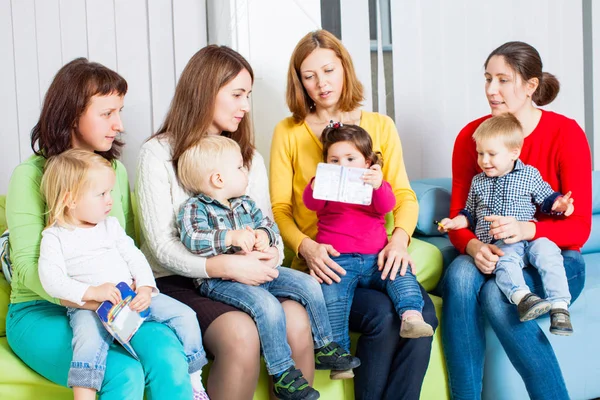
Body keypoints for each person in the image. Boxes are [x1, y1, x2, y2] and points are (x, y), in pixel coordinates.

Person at [135, 45, 316, 400]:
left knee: (297, 320)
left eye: (247, 95)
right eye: (237, 95)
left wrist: (267, 257)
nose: (246, 106)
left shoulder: (248, 158)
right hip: (178, 280)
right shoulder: (157, 154)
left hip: (247, 276)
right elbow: (160, 246)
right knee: (240, 334)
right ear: (204, 92)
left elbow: (270, 232)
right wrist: (224, 265)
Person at [6, 58, 193, 399]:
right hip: (41, 308)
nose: (119, 125)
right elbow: (29, 268)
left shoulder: (115, 173)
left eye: (118, 111)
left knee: (167, 354)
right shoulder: (30, 176)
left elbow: (126, 246)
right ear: (72, 114)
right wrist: (88, 296)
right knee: (122, 373)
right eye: (107, 113)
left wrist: (138, 289)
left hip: (113, 302)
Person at [270, 29, 438, 400]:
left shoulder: (380, 126)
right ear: (299, 81)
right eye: (309, 76)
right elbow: (281, 209)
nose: (321, 84)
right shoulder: (288, 131)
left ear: (344, 68)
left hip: (378, 252)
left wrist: (399, 241)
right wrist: (307, 248)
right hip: (324, 262)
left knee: (423, 313)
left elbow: (405, 195)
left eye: (328, 70)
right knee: (382, 314)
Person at [441, 41, 592, 399]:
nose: (491, 90)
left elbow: (579, 229)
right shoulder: (472, 137)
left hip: (554, 259)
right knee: (460, 274)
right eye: (488, 79)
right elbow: (458, 217)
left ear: (530, 86)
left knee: (496, 296)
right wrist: (474, 246)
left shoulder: (565, 134)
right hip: (497, 252)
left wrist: (527, 229)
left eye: (503, 80)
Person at [176, 135, 360, 399]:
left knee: (308, 283)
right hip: (222, 281)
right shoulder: (195, 208)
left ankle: (325, 345)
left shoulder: (245, 203)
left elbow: (269, 226)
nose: (245, 171)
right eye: (239, 167)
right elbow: (192, 238)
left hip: (262, 270)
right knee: (267, 306)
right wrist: (230, 238)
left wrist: (265, 237)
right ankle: (283, 372)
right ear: (218, 179)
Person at [38, 149, 209, 400]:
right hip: (89, 308)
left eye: (111, 192)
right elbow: (51, 280)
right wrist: (92, 292)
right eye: (102, 194)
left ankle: (195, 380)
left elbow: (135, 257)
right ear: (71, 200)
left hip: (130, 301)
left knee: (185, 315)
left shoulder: (111, 227)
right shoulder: (55, 236)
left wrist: (145, 289)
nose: (110, 200)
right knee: (87, 345)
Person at [303, 122, 433, 356]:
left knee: (401, 275)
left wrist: (378, 185)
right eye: (334, 161)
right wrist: (315, 185)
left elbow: (387, 206)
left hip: (376, 259)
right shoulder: (325, 186)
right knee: (333, 300)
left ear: (367, 163)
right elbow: (311, 204)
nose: (342, 165)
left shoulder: (375, 185)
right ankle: (337, 354)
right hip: (338, 260)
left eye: (350, 159)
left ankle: (411, 316)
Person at [438, 113, 575, 335]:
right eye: (480, 153)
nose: (484, 160)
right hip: (502, 244)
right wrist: (454, 223)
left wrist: (561, 205)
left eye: (492, 154)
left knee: (548, 251)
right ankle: (523, 298)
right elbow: (469, 214)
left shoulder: (529, 175)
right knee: (506, 260)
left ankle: (560, 307)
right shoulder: (478, 182)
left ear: (514, 153)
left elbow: (547, 198)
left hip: (528, 237)